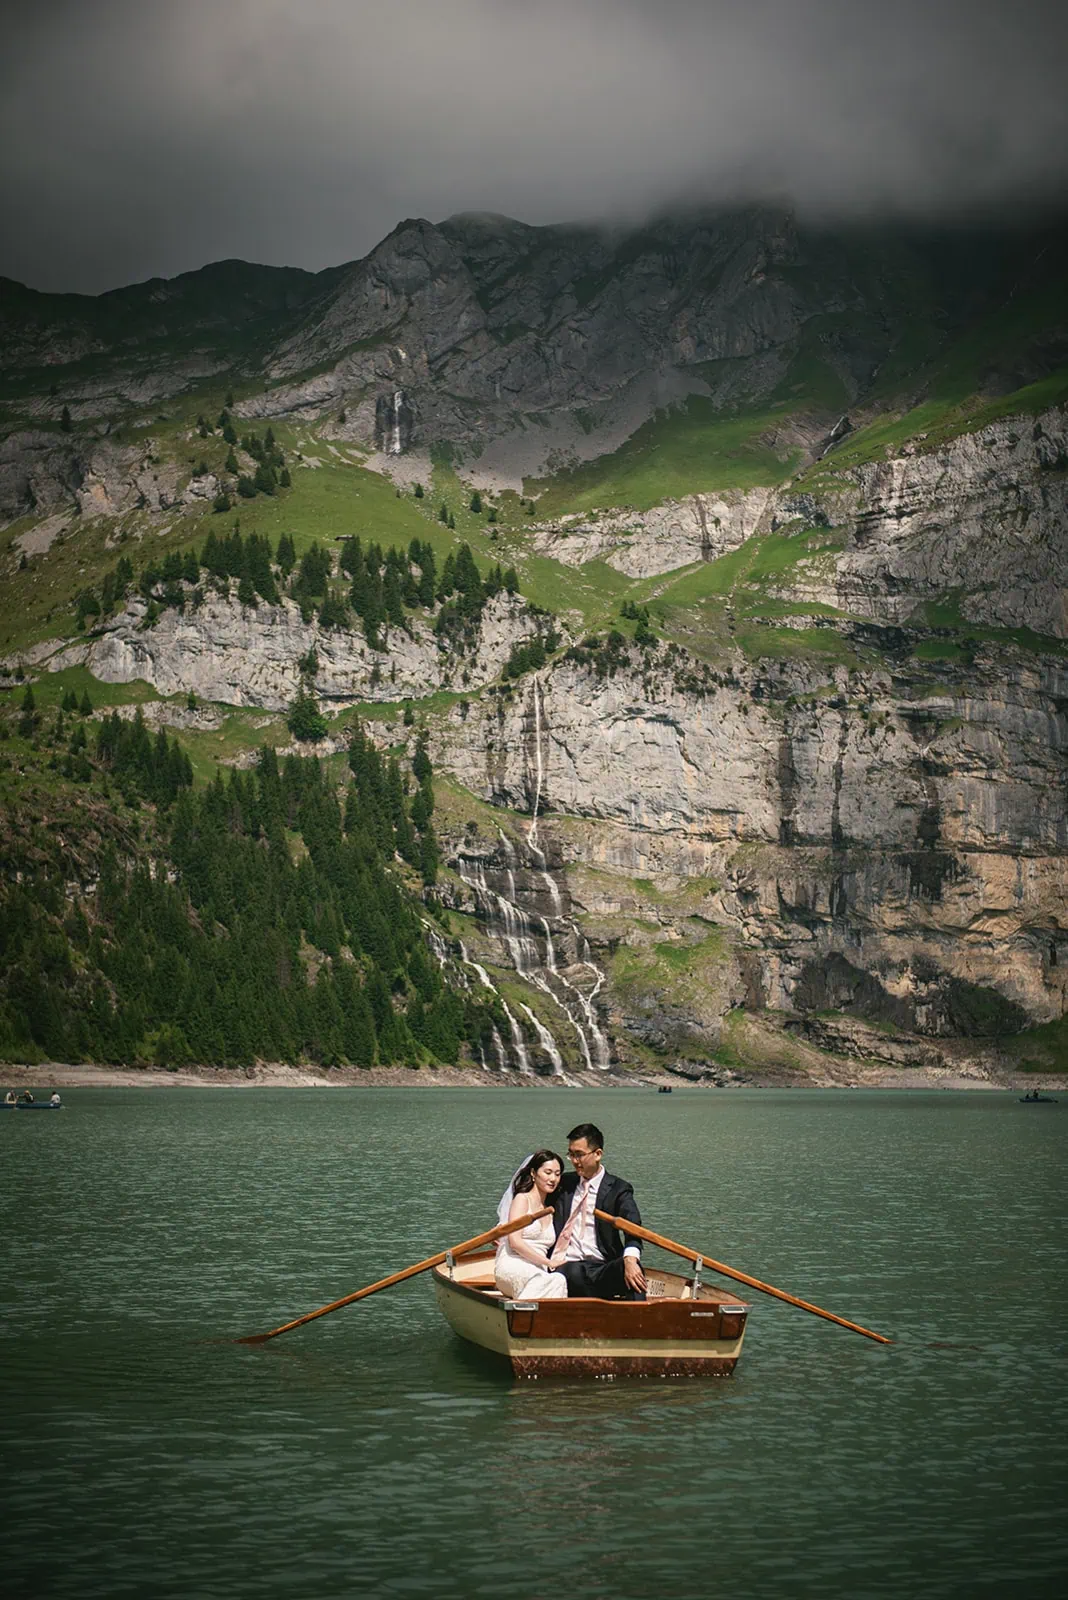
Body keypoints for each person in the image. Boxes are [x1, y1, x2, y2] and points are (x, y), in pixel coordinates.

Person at [548, 1122, 647, 1301]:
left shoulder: (618, 1189)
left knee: (634, 1271)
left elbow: (633, 1227)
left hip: (602, 1267)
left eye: (579, 1155)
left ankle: (639, 1321)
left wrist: (631, 1260)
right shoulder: (562, 1184)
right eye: (571, 1154)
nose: (574, 1161)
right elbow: (532, 1201)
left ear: (598, 1154)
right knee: (574, 1271)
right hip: (565, 1264)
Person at [494, 1149, 570, 1301]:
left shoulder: (550, 1209)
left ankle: (529, 1319)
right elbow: (515, 1242)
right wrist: (548, 1262)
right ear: (533, 1174)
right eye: (547, 1172)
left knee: (558, 1280)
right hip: (513, 1263)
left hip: (539, 1270)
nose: (553, 1178)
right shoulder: (522, 1199)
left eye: (557, 1173)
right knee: (552, 1280)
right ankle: (522, 1318)